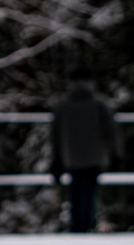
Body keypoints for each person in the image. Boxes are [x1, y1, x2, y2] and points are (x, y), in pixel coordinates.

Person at [51, 69, 121, 233]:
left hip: (72, 157)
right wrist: (115, 153)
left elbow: (55, 135)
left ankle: (77, 226)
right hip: (94, 157)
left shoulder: (63, 105)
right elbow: (110, 131)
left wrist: (57, 160)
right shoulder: (99, 104)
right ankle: (88, 225)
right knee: (89, 192)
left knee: (75, 192)